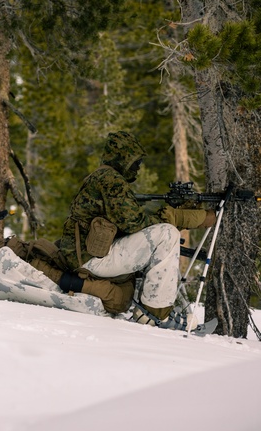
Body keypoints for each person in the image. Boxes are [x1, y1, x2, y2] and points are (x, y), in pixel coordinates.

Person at [53, 130, 215, 329]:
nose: (138, 169)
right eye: (135, 163)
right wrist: (172, 217)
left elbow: (127, 216)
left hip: (85, 255)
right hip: (90, 259)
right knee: (166, 234)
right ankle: (156, 313)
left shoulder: (101, 177)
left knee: (160, 233)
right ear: (123, 158)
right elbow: (133, 221)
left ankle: (154, 307)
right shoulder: (110, 179)